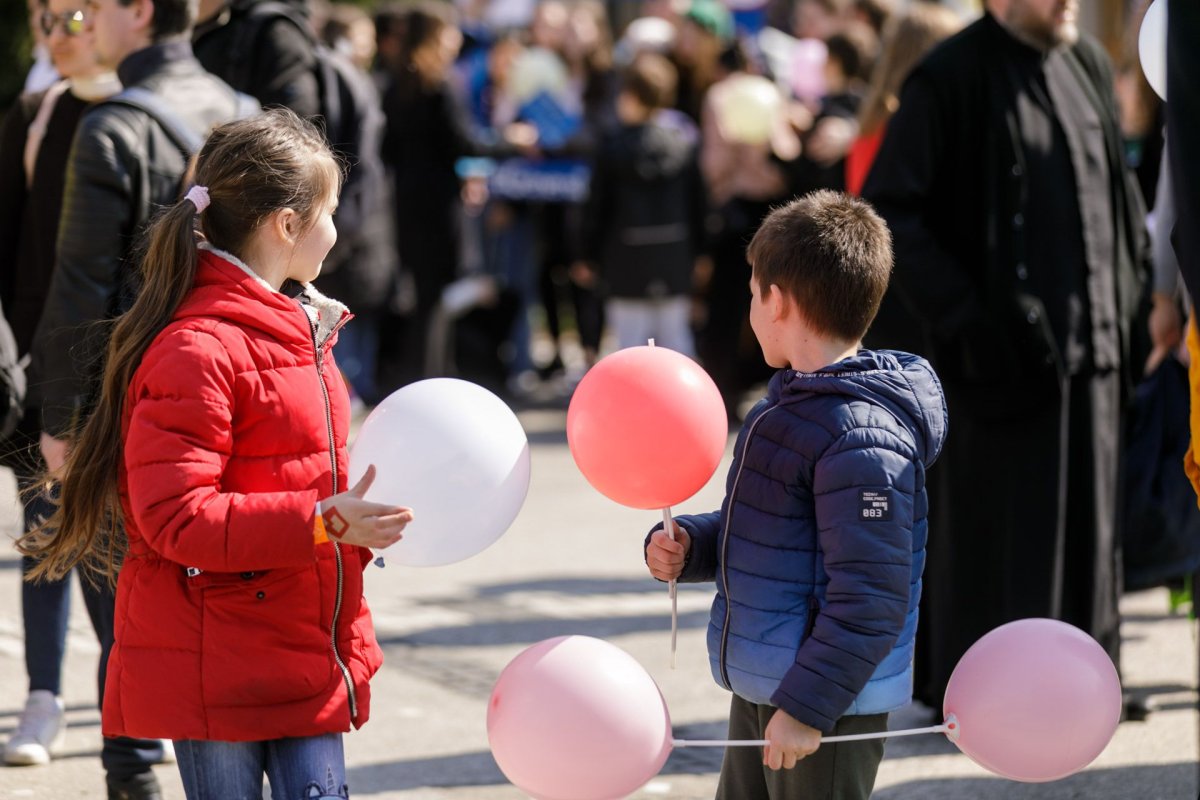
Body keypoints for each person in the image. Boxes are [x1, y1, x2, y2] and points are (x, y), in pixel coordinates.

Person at [18, 109, 414, 800]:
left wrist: (361, 518)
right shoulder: (195, 350)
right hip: (218, 663)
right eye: (330, 212)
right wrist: (322, 520)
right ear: (286, 226)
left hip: (300, 649)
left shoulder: (304, 330)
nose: (338, 231)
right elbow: (177, 518)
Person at [862, 0, 1151, 714]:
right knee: (1007, 540)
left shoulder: (1083, 61)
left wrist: (1138, 292)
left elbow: (1116, 193)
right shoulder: (950, 77)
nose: (1067, 4)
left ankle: (1087, 684)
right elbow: (892, 211)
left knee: (1095, 534)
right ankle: (995, 696)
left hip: (1096, 355)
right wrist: (970, 317)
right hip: (999, 366)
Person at [644, 190, 947, 800]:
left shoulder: (862, 440)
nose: (749, 307)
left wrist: (808, 708)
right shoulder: (789, 404)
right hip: (767, 685)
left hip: (828, 702)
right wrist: (694, 546)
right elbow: (769, 530)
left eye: (752, 292)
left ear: (777, 301)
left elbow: (871, 597)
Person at [24, 0, 256, 794]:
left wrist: (60, 420)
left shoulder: (112, 127)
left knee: (126, 592)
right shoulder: (247, 113)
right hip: (242, 390)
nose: (75, 23)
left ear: (141, 12)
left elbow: (81, 288)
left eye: (87, 10)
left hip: (140, 397)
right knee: (225, 588)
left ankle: (134, 767)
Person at [0, 0, 121, 770]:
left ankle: (128, 703)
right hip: (37, 369)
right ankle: (44, 697)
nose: (55, 31)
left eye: (73, 14)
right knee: (45, 533)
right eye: (45, 16)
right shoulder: (32, 116)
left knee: (111, 543)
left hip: (117, 371)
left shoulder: (150, 118)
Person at [574, 52, 705, 356]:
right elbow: (698, 203)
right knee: (677, 346)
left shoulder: (611, 149)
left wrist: (586, 254)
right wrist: (701, 252)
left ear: (630, 96)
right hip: (675, 258)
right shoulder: (682, 145)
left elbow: (596, 208)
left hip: (624, 263)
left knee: (630, 349)